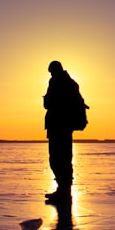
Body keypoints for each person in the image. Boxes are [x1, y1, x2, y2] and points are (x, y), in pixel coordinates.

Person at [43, 60, 82, 203]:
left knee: (59, 160)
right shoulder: (68, 82)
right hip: (61, 126)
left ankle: (64, 192)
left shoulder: (59, 82)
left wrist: (47, 100)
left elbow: (49, 104)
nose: (51, 74)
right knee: (61, 160)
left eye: (52, 71)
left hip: (59, 126)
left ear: (56, 70)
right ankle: (63, 191)